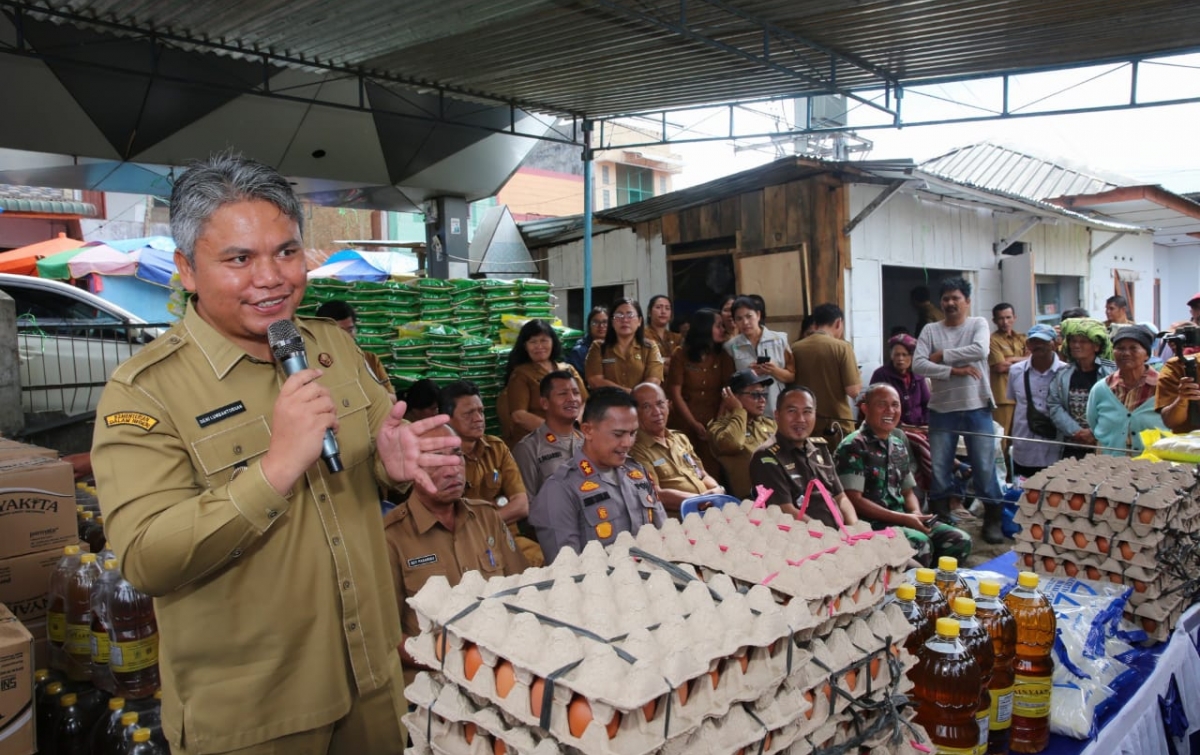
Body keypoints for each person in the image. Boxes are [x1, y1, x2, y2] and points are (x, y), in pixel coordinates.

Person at [91, 153, 461, 754]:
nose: (272, 278)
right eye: (239, 259)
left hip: (374, 685)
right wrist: (275, 468)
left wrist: (391, 472)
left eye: (287, 252)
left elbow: (367, 468)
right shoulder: (145, 392)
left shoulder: (329, 348)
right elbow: (145, 557)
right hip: (256, 715)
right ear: (186, 269)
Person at [384, 425, 528, 686]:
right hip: (436, 685)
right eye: (436, 459)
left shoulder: (487, 517)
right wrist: (456, 664)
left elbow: (523, 592)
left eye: (456, 455)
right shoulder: (391, 537)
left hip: (504, 676)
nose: (451, 468)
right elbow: (388, 638)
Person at [912, 277, 1006, 544]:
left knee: (984, 465)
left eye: (956, 298)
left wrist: (941, 356)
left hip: (977, 406)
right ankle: (942, 518)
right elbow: (918, 365)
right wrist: (954, 370)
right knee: (940, 465)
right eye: (946, 299)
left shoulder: (978, 324)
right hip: (941, 408)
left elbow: (980, 350)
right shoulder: (930, 329)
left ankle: (992, 518)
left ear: (967, 302)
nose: (950, 303)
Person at [836, 384, 971, 568]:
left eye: (895, 405)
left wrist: (915, 513)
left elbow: (908, 492)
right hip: (870, 525)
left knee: (959, 539)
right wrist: (905, 519)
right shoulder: (853, 446)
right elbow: (854, 500)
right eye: (882, 404)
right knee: (920, 543)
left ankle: (938, 588)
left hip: (903, 519)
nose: (890, 411)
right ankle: (914, 592)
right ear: (865, 408)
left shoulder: (898, 444)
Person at [529, 388, 667, 562]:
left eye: (632, 434)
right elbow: (567, 569)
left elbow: (664, 536)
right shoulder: (560, 489)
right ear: (587, 430)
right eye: (618, 434)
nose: (627, 443)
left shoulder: (637, 474)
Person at [441, 380, 541, 566]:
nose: (478, 418)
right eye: (469, 413)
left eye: (480, 411)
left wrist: (481, 522)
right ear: (447, 419)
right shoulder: (439, 459)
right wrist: (499, 509)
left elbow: (521, 505)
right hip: (464, 546)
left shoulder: (497, 448)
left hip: (506, 537)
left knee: (544, 562)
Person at [748, 387, 859, 527]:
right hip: (806, 540)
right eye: (792, 411)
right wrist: (829, 535)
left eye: (807, 412)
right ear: (777, 415)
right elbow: (785, 511)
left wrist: (855, 529)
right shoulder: (766, 457)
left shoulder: (820, 449)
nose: (800, 419)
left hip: (842, 536)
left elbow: (840, 497)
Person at [630, 382, 722, 513]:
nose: (657, 412)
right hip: (679, 521)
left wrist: (717, 490)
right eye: (646, 407)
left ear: (668, 405)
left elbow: (701, 474)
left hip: (708, 511)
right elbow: (655, 494)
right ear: (634, 412)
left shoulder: (679, 438)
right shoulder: (636, 450)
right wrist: (700, 500)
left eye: (660, 403)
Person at [665, 308, 735, 477]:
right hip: (684, 419)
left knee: (711, 469)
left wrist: (716, 424)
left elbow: (727, 392)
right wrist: (693, 423)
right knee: (684, 468)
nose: (722, 330)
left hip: (714, 418)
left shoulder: (723, 355)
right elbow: (675, 392)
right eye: (718, 326)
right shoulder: (681, 354)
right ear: (704, 327)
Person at [502, 318, 587, 445]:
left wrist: (574, 425)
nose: (539, 346)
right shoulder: (521, 374)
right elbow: (519, 415)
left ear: (553, 342)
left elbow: (585, 401)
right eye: (533, 342)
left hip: (572, 437)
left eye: (544, 340)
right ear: (525, 346)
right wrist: (555, 433)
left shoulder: (568, 370)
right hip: (537, 442)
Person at [1087, 325, 1166, 455]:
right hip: (1109, 467)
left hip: (1154, 467)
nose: (1126, 353)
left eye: (1133, 348)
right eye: (1120, 348)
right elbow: (1094, 422)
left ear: (1147, 355)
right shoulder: (1101, 389)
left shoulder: (1163, 386)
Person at [790, 303, 861, 439]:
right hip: (837, 424)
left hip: (806, 423)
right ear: (838, 323)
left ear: (815, 324)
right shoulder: (843, 348)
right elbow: (853, 391)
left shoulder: (795, 348)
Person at [1047, 318, 1113, 459]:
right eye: (1073, 341)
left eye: (1083, 341)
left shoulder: (1111, 372)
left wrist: (1094, 433)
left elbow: (1116, 407)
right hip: (1072, 444)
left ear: (1096, 346)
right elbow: (1054, 405)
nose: (1076, 345)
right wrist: (1076, 431)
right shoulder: (1063, 373)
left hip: (1104, 444)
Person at [707, 369, 777, 499]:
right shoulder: (718, 428)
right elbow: (732, 443)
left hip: (780, 491)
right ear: (732, 397)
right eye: (755, 395)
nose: (762, 400)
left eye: (764, 394)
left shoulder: (768, 424)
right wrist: (738, 410)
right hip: (751, 501)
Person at [1007, 324, 1066, 478]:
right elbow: (1015, 401)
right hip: (1024, 444)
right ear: (1028, 345)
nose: (1038, 345)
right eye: (1034, 341)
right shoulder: (1016, 371)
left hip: (1054, 447)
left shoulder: (1065, 372)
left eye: (1044, 341)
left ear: (1054, 343)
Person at [512, 370, 584, 496]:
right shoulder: (529, 448)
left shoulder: (589, 442)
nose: (572, 399)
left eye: (576, 393)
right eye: (563, 394)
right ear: (545, 403)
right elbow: (528, 503)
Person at [723, 296, 795, 419]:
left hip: (776, 406)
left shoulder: (780, 339)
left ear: (758, 315)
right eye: (739, 319)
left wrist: (773, 370)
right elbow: (729, 382)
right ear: (734, 322)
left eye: (749, 316)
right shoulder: (731, 346)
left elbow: (791, 376)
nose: (745, 322)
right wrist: (748, 374)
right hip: (748, 410)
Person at [315, 299, 395, 401]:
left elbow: (392, 399)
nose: (347, 337)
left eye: (350, 330)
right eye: (339, 332)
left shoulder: (369, 359)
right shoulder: (317, 365)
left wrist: (364, 392)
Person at [585, 298, 664, 390]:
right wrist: (627, 394)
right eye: (619, 315)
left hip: (640, 403)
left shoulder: (650, 347)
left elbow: (654, 381)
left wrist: (635, 396)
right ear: (612, 322)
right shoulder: (598, 347)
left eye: (630, 315)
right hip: (607, 402)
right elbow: (595, 381)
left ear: (639, 321)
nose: (625, 320)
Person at [869, 333, 930, 426]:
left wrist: (924, 424)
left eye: (904, 355)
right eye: (897, 355)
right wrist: (900, 425)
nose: (900, 358)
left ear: (911, 356)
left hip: (920, 427)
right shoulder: (881, 375)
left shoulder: (918, 375)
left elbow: (927, 404)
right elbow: (876, 406)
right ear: (891, 356)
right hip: (892, 428)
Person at [988, 302, 1027, 440]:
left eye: (1008, 317)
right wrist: (1024, 360)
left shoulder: (1021, 338)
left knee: (1019, 437)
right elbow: (1000, 367)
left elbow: (1033, 360)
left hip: (1021, 396)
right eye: (1000, 318)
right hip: (1002, 397)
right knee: (1002, 438)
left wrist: (1010, 359)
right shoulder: (992, 340)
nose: (1005, 322)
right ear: (994, 321)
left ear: (1014, 318)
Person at [566, 306, 608, 378]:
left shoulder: (616, 346)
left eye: (605, 322)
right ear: (589, 325)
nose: (601, 326)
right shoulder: (579, 351)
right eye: (595, 322)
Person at [644, 295, 682, 371]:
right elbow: (645, 362)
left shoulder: (677, 337)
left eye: (667, 308)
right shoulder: (642, 335)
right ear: (649, 312)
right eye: (658, 307)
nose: (663, 311)